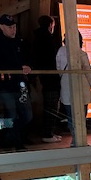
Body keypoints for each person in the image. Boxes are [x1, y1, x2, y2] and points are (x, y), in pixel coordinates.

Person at [0, 14, 33, 151]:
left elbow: (29, 57)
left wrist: (29, 67)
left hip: (21, 84)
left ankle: (11, 138)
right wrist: (18, 68)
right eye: (9, 27)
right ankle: (15, 141)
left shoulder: (20, 41)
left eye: (14, 26)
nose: (13, 29)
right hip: (5, 85)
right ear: (1, 27)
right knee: (11, 114)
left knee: (27, 115)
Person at [56, 32, 91, 147]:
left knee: (70, 116)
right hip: (82, 87)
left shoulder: (60, 52)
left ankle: (75, 139)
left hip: (66, 87)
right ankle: (81, 140)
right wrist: (89, 85)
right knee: (82, 117)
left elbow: (59, 69)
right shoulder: (81, 53)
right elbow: (88, 72)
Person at [33, 15, 62, 143]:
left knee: (49, 105)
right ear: (50, 25)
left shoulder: (37, 38)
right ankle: (48, 133)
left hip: (43, 77)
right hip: (51, 77)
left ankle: (48, 132)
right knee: (52, 106)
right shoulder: (49, 39)